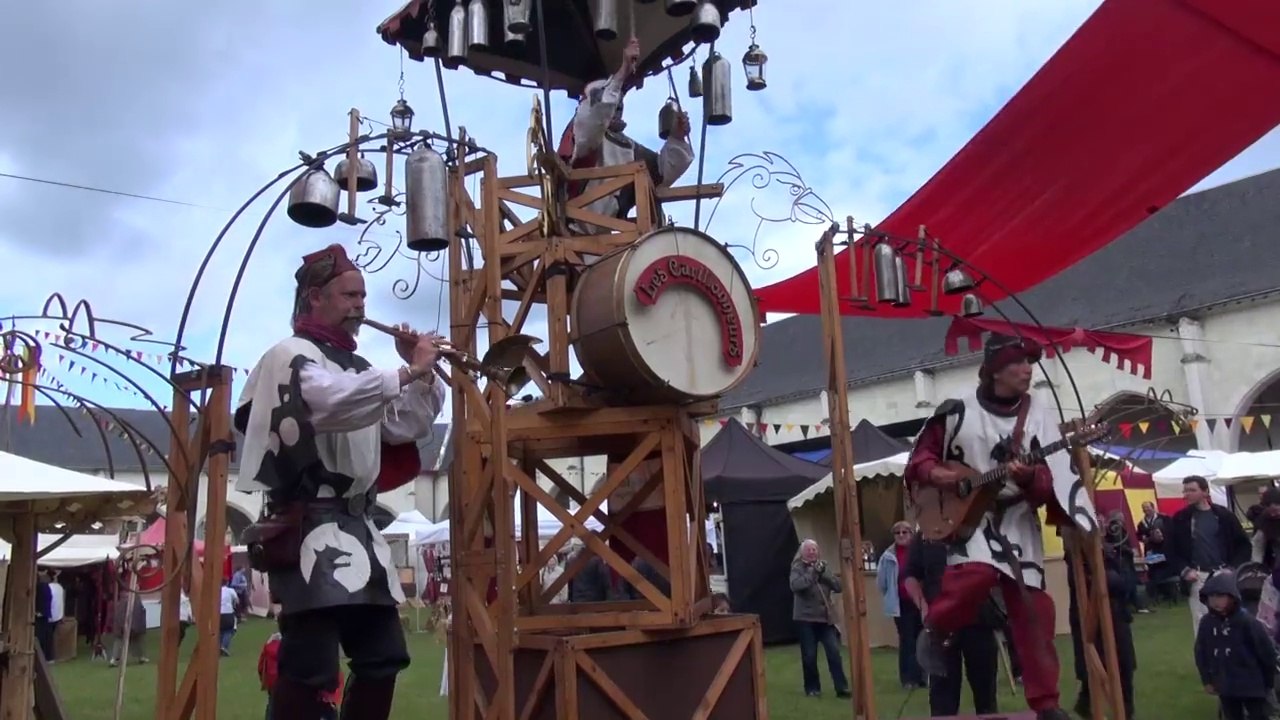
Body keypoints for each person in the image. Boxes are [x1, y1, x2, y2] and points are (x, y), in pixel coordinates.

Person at [235, 243, 446, 720]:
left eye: (363, 296)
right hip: (308, 524)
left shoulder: (361, 369)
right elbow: (329, 401)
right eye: (350, 295)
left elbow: (407, 425)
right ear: (316, 297)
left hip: (359, 526)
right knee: (310, 667)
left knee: (384, 657)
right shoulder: (288, 356)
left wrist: (421, 376)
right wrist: (407, 371)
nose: (360, 306)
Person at [907, 334, 1098, 720]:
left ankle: (1046, 702)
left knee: (1036, 611)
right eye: (1019, 363)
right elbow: (920, 459)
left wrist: (1030, 478)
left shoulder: (1039, 413)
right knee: (973, 577)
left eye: (1030, 363)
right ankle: (937, 627)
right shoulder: (957, 410)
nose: (1028, 370)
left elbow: (1051, 483)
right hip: (970, 518)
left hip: (1017, 518)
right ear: (996, 370)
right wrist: (943, 477)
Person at [557, 37, 693, 235]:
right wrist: (621, 74)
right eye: (611, 95)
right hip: (571, 233)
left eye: (619, 97)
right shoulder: (580, 133)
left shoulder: (629, 148)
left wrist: (677, 138)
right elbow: (593, 120)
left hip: (607, 242)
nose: (617, 103)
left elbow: (661, 173)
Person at [902, 529, 1001, 716]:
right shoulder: (925, 535)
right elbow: (910, 574)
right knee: (942, 697)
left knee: (985, 693)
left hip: (979, 620)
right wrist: (922, 605)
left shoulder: (979, 528)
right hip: (941, 623)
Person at [1166, 475, 1251, 632]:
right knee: (1202, 623)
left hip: (1223, 574)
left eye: (1192, 490)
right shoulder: (1181, 519)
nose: (1186, 494)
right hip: (1198, 576)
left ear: (1205, 492)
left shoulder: (1224, 516)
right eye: (1185, 491)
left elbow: (1243, 545)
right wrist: (1185, 570)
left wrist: (1233, 568)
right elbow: (1171, 550)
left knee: (1230, 621)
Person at [1066, 542, 1137, 719]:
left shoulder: (1117, 547)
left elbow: (1126, 582)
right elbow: (1089, 582)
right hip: (1091, 617)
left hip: (1117, 614)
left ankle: (1125, 712)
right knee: (1095, 667)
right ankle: (1088, 703)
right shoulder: (1076, 552)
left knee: (1124, 665)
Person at [1196, 572, 1277, 720]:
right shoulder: (1206, 624)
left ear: (1232, 597)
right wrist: (1207, 680)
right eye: (1211, 596)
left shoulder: (1247, 622)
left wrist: (1268, 682)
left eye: (1220, 596)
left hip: (1252, 685)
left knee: (1258, 716)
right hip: (1225, 686)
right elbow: (1201, 653)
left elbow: (1266, 652)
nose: (1215, 601)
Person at [789, 539, 851, 699]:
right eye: (808, 550)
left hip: (825, 618)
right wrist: (813, 573)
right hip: (806, 619)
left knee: (834, 652)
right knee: (809, 655)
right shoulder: (797, 567)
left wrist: (824, 574)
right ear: (802, 552)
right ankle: (812, 689)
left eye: (814, 549)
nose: (812, 552)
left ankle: (841, 687)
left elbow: (838, 586)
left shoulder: (824, 566)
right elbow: (796, 586)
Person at [261, 619, 343, 720]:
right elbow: (334, 678)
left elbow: (263, 670)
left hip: (282, 695)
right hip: (319, 699)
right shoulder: (321, 645)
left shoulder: (274, 645)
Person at [875, 521, 925, 689]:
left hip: (920, 602)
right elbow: (882, 582)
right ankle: (908, 679)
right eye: (898, 533)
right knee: (907, 640)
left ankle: (922, 677)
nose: (902, 535)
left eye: (905, 532)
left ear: (911, 534)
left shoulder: (919, 552)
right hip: (902, 604)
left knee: (922, 639)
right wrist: (891, 594)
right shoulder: (888, 556)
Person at [35, 569, 54, 661]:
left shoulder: (41, 587)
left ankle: (42, 656)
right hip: (44, 614)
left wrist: (39, 611)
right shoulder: (46, 587)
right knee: (45, 636)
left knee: (41, 637)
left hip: (41, 614)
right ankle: (47, 656)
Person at [219, 580, 239, 656]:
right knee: (229, 630)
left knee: (220, 630)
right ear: (227, 583)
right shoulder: (230, 590)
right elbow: (237, 601)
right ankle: (224, 646)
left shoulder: (216, 590)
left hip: (218, 613)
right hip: (228, 612)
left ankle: (219, 647)